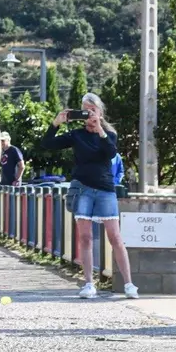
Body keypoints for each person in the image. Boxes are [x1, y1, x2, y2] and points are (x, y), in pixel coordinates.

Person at [41, 93, 138, 299]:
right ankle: (88, 284)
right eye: (85, 110)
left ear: (100, 112)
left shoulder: (109, 134)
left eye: (92, 110)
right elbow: (48, 144)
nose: (88, 114)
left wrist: (100, 129)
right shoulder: (76, 135)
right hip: (82, 189)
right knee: (85, 237)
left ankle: (129, 284)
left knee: (115, 237)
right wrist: (56, 123)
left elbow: (110, 153)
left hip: (105, 190)